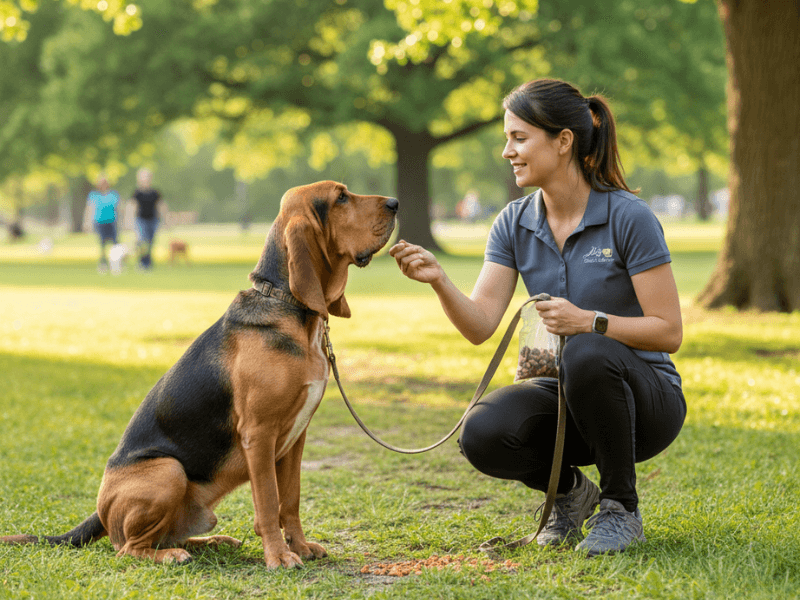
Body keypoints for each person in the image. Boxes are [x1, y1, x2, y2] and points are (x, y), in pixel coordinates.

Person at [389, 78, 685, 557]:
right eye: (507, 138)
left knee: (588, 352)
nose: (507, 151)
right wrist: (439, 280)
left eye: (519, 138)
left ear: (563, 141)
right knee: (481, 432)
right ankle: (570, 496)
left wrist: (591, 321)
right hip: (563, 391)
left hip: (645, 398)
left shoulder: (628, 217)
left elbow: (668, 332)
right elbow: (481, 324)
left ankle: (620, 509)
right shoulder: (513, 221)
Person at [87, 175, 121, 274]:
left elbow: (119, 208)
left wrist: (122, 222)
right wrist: (87, 222)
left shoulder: (113, 195)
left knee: (115, 244)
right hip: (100, 222)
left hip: (112, 221)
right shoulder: (94, 195)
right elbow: (90, 209)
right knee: (102, 244)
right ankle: (103, 263)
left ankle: (116, 263)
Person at [131, 168, 162, 270]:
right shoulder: (137, 193)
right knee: (142, 240)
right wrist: (129, 220)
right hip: (141, 220)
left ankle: (148, 261)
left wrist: (165, 220)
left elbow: (160, 206)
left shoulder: (155, 193)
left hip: (153, 220)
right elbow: (133, 207)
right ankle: (142, 261)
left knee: (150, 242)